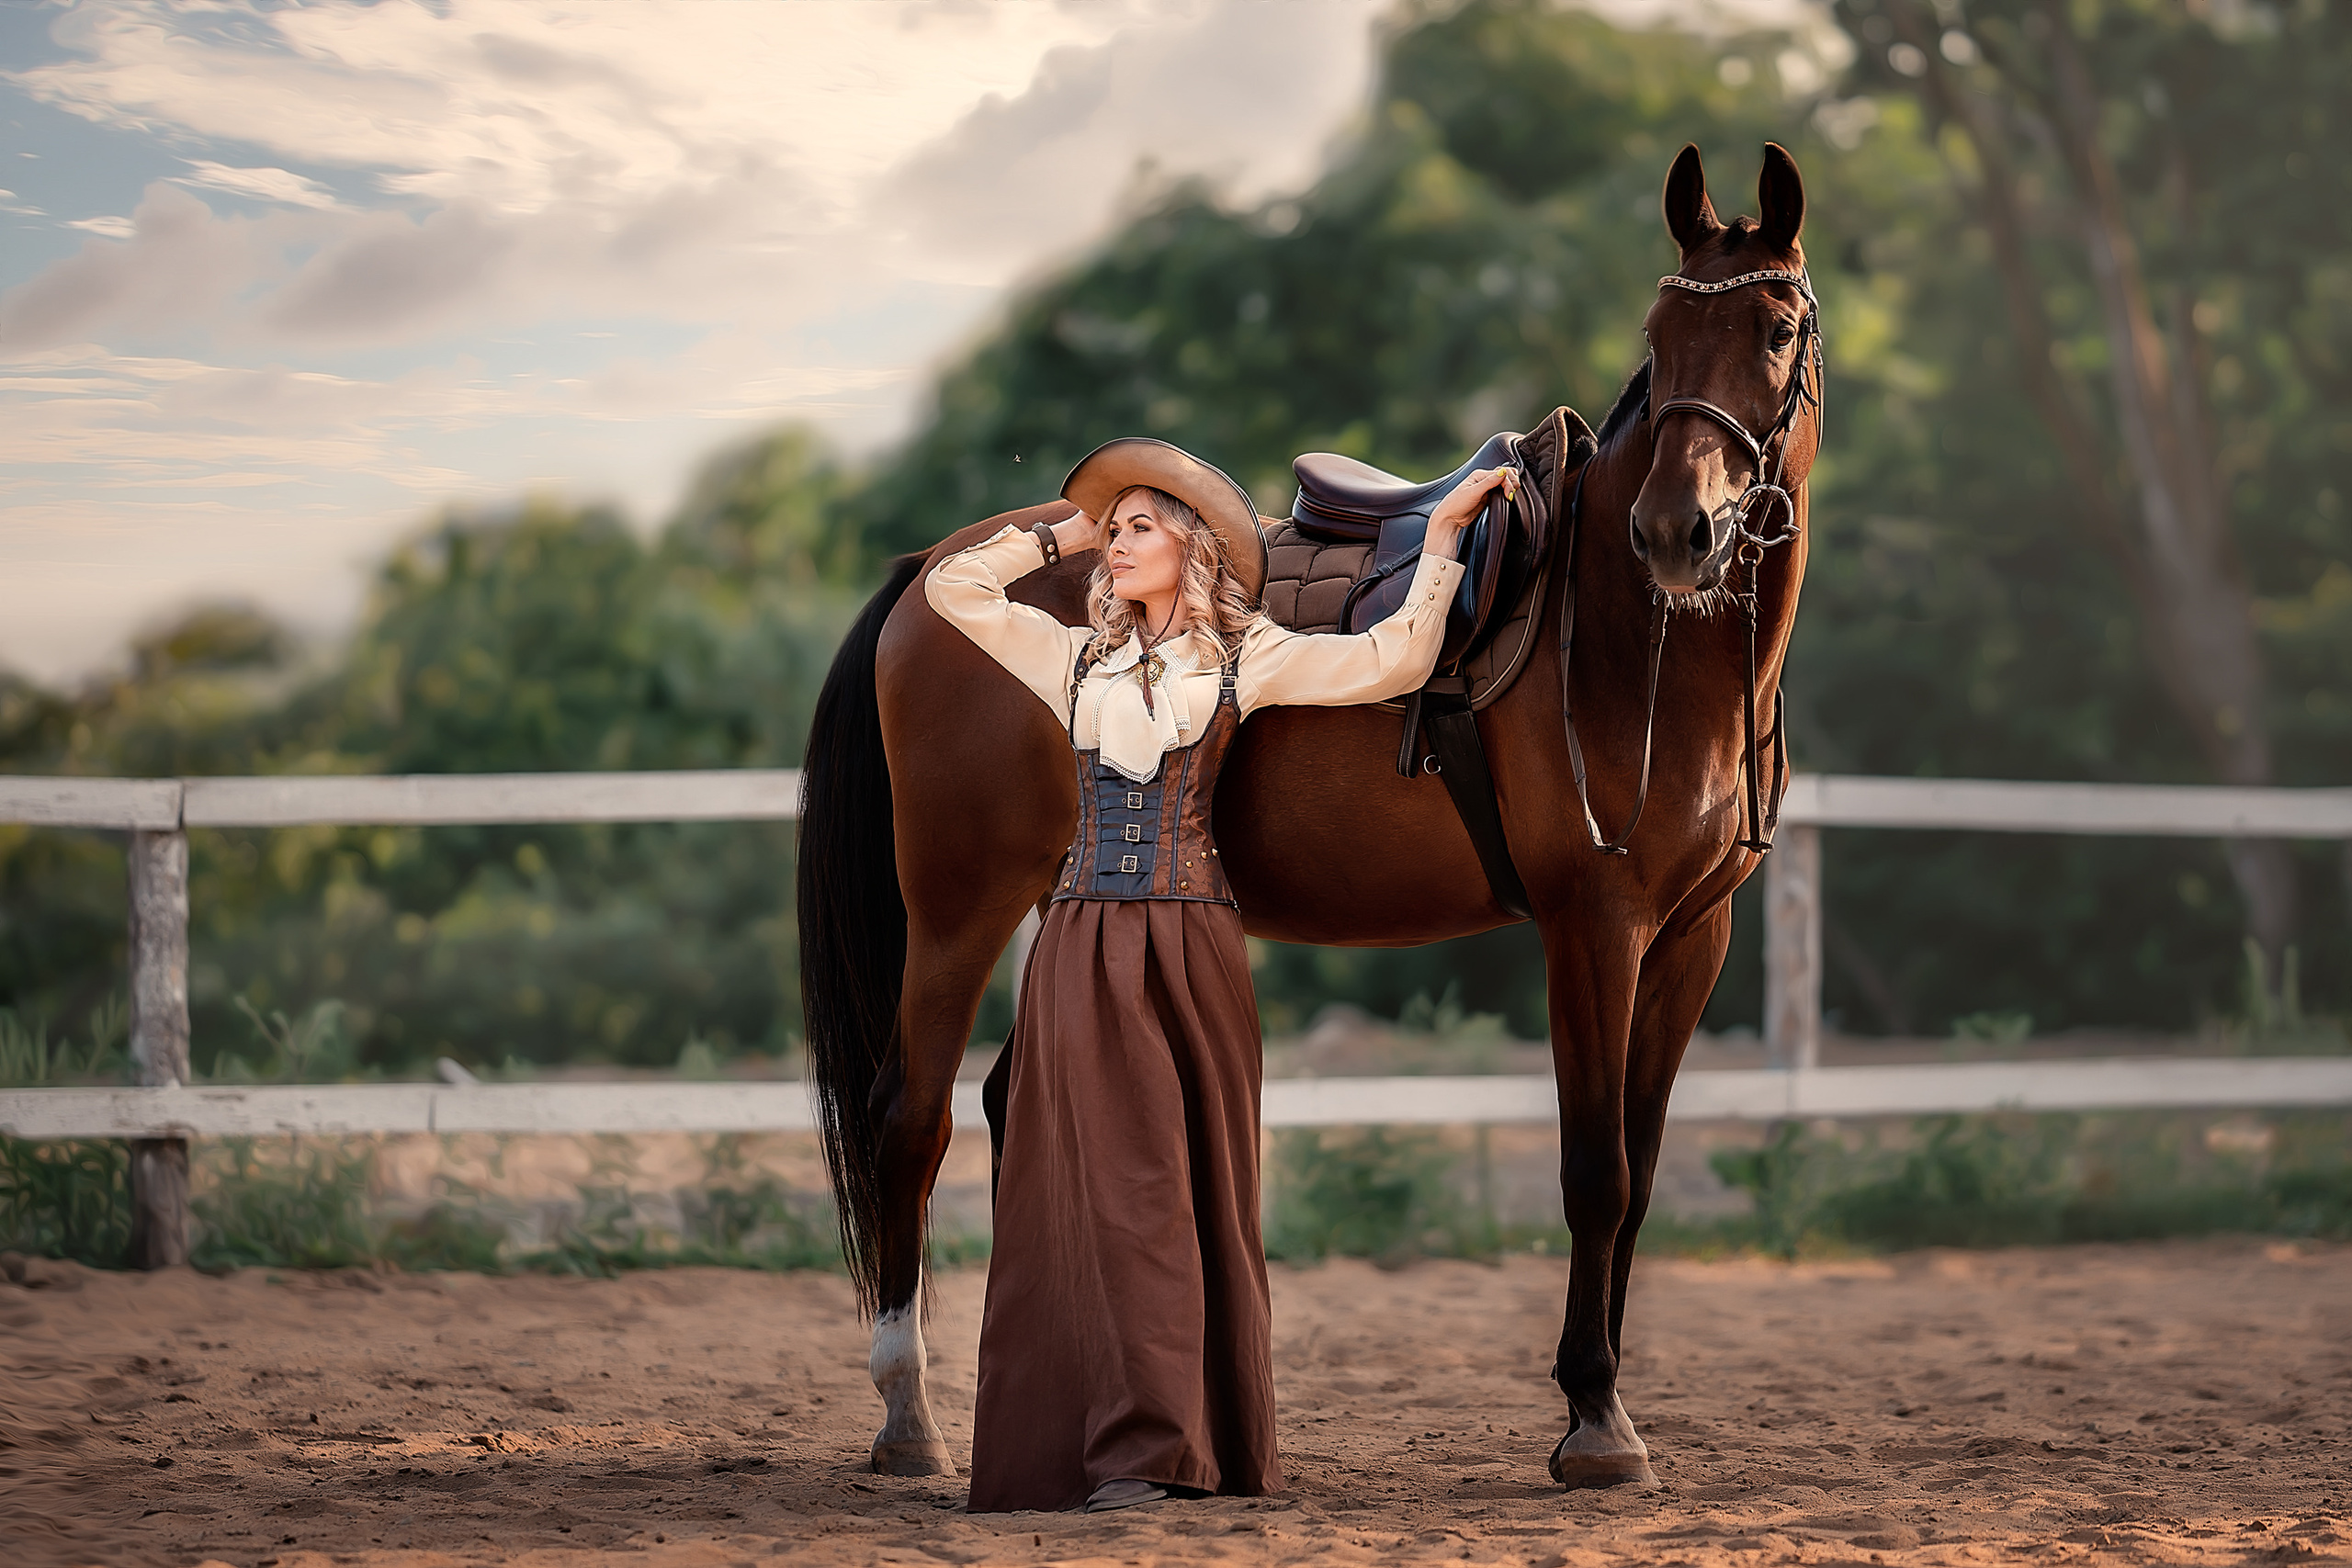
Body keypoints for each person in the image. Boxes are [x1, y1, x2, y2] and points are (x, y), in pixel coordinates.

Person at [923, 436, 1516, 1514]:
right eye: (1113, 531)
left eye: (1137, 527)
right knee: (1090, 1196)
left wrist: (1438, 541)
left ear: (1191, 548)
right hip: (1077, 952)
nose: (1116, 544)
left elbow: (1393, 661)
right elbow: (951, 589)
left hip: (1191, 949)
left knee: (1176, 1193)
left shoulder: (1250, 657)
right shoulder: (1070, 659)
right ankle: (1105, 1451)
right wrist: (1060, 533)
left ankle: (1176, 1446)